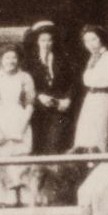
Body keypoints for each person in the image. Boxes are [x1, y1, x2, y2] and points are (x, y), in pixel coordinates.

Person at [0, 44, 36, 207]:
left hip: (18, 119)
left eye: (14, 58)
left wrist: (22, 127)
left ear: (18, 60)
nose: (11, 61)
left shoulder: (25, 77)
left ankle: (21, 201)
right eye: (7, 58)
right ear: (1, 60)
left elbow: (30, 103)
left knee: (19, 161)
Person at [26, 20, 76, 156]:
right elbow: (25, 84)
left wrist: (67, 99)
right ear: (37, 42)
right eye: (43, 40)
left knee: (55, 143)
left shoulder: (62, 60)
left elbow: (72, 82)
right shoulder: (30, 62)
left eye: (49, 40)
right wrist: (39, 96)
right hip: (38, 110)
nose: (46, 44)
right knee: (38, 144)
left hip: (58, 108)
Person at [72, 24, 108, 152]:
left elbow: (106, 80)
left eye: (94, 39)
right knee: (86, 135)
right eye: (87, 41)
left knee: (98, 134)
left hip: (102, 98)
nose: (90, 44)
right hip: (91, 98)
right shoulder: (93, 58)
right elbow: (87, 80)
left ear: (101, 39)